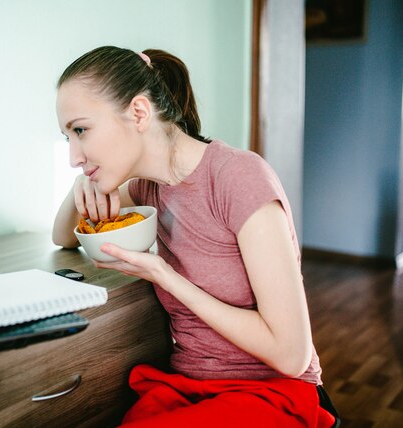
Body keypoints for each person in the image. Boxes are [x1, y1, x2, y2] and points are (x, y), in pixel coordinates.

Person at [52, 46, 337, 427]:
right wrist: (78, 191)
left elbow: (291, 356)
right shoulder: (147, 189)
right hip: (191, 387)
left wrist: (164, 274)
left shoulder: (237, 177)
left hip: (273, 391)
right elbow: (63, 237)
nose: (74, 155)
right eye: (67, 136)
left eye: (81, 130)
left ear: (139, 113)